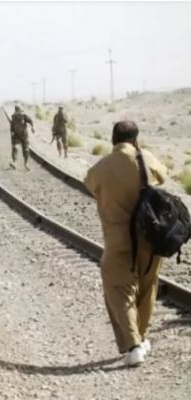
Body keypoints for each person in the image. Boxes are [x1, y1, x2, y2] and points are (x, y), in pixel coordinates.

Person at [83, 120, 168, 367]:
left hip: (117, 240)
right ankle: (141, 338)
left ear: (113, 140)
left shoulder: (101, 167)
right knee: (147, 287)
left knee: (119, 290)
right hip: (150, 238)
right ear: (135, 139)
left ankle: (133, 345)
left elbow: (90, 185)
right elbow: (164, 175)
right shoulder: (145, 158)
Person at [9, 105, 35, 170]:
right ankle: (14, 162)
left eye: (21, 111)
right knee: (15, 148)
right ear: (16, 111)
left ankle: (26, 164)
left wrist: (32, 127)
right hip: (16, 135)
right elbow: (12, 127)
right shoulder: (13, 117)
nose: (20, 112)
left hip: (24, 135)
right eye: (19, 111)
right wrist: (12, 135)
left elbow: (31, 121)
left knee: (26, 150)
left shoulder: (24, 116)